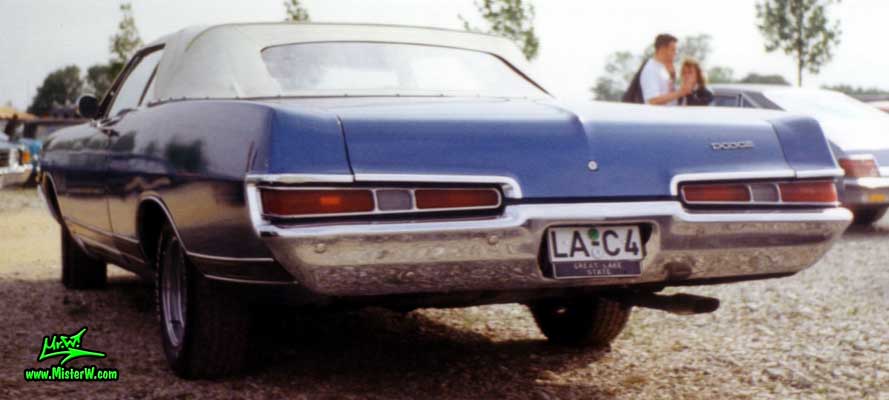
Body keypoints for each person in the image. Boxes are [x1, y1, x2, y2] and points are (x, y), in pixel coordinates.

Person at [623, 34, 696, 106]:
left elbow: (668, 93)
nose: (675, 53)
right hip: (657, 114)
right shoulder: (651, 69)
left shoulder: (661, 68)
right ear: (662, 49)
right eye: (672, 50)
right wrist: (680, 92)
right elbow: (652, 100)